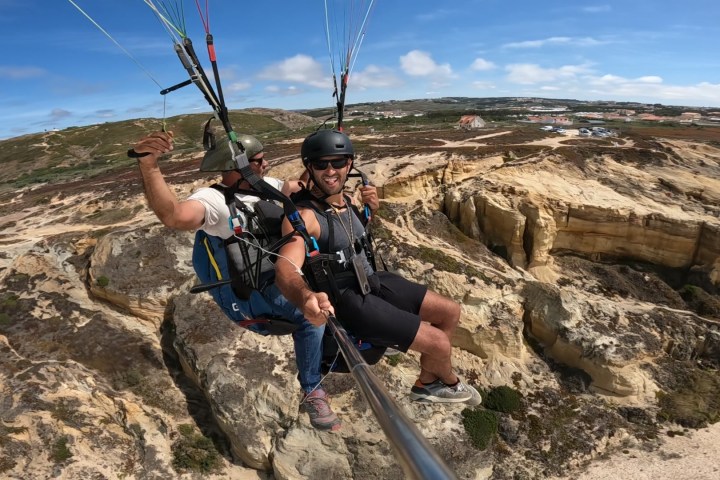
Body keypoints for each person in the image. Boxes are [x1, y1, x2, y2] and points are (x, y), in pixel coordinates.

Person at [131, 130, 341, 430]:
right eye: (258, 160)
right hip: (257, 293)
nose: (265, 164)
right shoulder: (214, 201)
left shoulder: (263, 185)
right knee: (312, 317)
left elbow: (296, 186)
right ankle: (312, 389)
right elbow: (174, 216)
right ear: (237, 167)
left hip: (282, 272)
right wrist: (148, 165)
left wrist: (325, 163)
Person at [275, 129, 481, 405]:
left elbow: (349, 239)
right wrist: (305, 297)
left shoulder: (346, 201)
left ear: (350, 165)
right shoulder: (304, 216)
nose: (330, 170)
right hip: (349, 299)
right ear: (309, 168)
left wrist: (370, 210)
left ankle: (428, 381)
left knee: (450, 311)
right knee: (439, 344)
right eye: (321, 164)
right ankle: (448, 381)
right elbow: (286, 267)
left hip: (371, 279)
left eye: (338, 162)